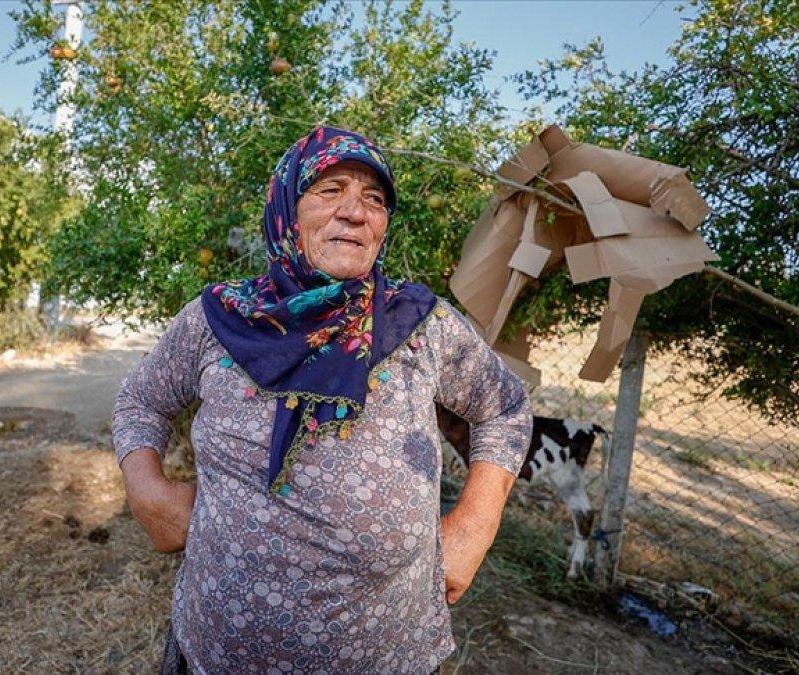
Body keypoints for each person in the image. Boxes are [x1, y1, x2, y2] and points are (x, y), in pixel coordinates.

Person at [112, 126, 532, 674]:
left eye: (374, 199)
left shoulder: (419, 324)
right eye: (330, 190)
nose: (355, 212)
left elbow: (505, 408)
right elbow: (140, 401)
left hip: (388, 655)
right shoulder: (219, 319)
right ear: (286, 208)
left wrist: (474, 526)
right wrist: (146, 490)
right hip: (218, 651)